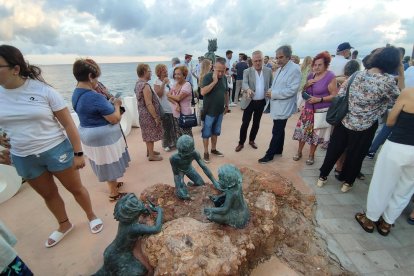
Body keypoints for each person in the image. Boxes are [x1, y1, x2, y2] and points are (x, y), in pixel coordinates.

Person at [0, 45, 103, 248]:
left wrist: (78, 153)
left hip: (56, 149)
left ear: (15, 69)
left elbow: (68, 124)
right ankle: (64, 224)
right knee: (48, 194)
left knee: (75, 188)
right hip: (23, 155)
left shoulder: (43, 91)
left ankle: (91, 216)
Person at [317, 46, 402, 193]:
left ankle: (322, 177)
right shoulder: (387, 82)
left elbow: (342, 92)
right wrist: (401, 73)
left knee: (334, 150)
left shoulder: (357, 75)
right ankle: (347, 182)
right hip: (366, 126)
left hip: (345, 120)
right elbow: (400, 99)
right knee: (356, 155)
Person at [355, 87, 414, 236]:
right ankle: (387, 223)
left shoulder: (409, 92)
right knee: (405, 190)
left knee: (382, 184)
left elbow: (390, 121)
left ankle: (370, 219)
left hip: (398, 145)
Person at [72, 59, 130, 202]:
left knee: (104, 161)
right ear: (90, 76)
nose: (97, 81)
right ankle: (113, 193)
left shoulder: (76, 93)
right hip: (102, 137)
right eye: (96, 77)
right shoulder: (94, 97)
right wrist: (117, 104)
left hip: (88, 133)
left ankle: (114, 185)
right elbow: (114, 118)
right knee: (109, 162)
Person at [292, 52, 337, 165]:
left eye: (319, 65)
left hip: (320, 111)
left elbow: (335, 96)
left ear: (326, 65)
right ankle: (299, 152)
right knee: (302, 133)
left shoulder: (330, 76)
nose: (316, 67)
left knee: (316, 136)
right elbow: (303, 92)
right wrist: (307, 85)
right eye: (315, 65)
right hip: (307, 110)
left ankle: (311, 155)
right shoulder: (311, 75)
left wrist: (319, 99)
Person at [258, 45, 301, 163]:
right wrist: (270, 91)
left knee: (277, 130)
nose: (278, 60)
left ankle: (269, 154)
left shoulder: (294, 69)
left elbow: (292, 90)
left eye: (281, 57)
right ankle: (278, 149)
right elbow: (276, 84)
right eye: (277, 57)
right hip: (277, 104)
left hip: (284, 105)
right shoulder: (280, 68)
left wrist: (274, 94)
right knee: (279, 129)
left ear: (289, 56)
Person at [235, 50, 273, 152]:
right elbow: (244, 83)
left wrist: (270, 90)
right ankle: (241, 143)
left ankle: (252, 140)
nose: (257, 63)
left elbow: (271, 84)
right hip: (249, 102)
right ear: (252, 60)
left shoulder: (268, 71)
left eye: (260, 60)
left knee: (256, 123)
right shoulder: (247, 71)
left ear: (263, 60)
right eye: (255, 61)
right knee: (245, 123)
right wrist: (247, 89)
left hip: (261, 102)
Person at [169, 135, 219, 200]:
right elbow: (176, 174)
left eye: (187, 154)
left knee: (201, 184)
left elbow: (204, 167)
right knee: (183, 195)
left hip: (189, 169)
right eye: (182, 153)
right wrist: (180, 184)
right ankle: (182, 188)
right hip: (179, 172)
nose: (183, 156)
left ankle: (190, 185)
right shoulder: (174, 158)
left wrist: (214, 181)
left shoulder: (194, 153)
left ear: (192, 150)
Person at [200, 57, 229, 163]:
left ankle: (213, 149)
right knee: (206, 133)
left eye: (223, 71)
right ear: (213, 68)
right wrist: (214, 81)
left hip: (220, 111)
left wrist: (227, 105)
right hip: (209, 112)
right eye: (218, 71)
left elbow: (226, 92)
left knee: (216, 132)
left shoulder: (225, 78)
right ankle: (206, 152)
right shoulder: (207, 77)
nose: (221, 73)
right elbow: (202, 92)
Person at [135, 63, 163, 161]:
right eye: (149, 71)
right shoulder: (145, 86)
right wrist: (155, 117)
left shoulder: (138, 83)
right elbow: (149, 103)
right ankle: (151, 155)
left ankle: (150, 151)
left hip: (142, 114)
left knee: (147, 133)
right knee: (150, 134)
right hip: (148, 114)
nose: (151, 73)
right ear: (144, 72)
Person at [154, 64, 177, 152]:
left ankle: (174, 143)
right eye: (164, 71)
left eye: (166, 71)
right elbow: (159, 94)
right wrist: (163, 83)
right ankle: (166, 144)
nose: (166, 72)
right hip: (164, 109)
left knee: (174, 127)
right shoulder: (156, 82)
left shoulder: (171, 81)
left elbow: (174, 92)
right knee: (166, 128)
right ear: (159, 72)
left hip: (173, 107)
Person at [167, 66, 194, 137]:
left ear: (184, 75)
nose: (176, 76)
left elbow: (178, 98)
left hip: (185, 115)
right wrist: (176, 104)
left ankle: (190, 148)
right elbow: (168, 97)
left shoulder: (187, 85)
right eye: (175, 74)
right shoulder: (175, 85)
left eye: (179, 74)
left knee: (187, 136)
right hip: (176, 114)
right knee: (179, 136)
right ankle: (181, 148)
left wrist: (170, 95)